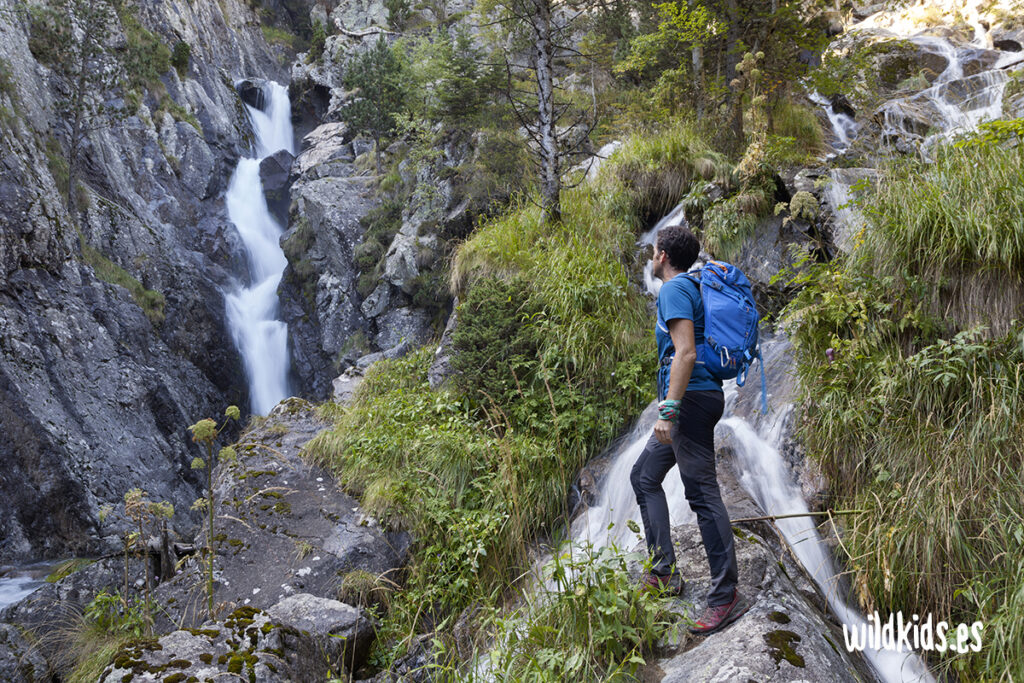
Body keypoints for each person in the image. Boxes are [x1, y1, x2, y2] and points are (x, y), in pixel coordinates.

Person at [630, 223, 747, 635]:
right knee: (643, 476)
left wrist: (670, 411)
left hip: (691, 401)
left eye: (654, 249)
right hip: (695, 397)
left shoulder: (675, 290)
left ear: (662, 256)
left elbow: (686, 352)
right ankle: (664, 572)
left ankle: (724, 595)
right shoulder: (687, 288)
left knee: (701, 492)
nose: (652, 254)